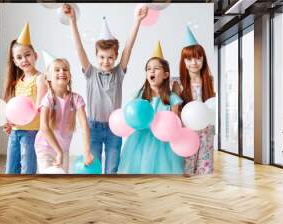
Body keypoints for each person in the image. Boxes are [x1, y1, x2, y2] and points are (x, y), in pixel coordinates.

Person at [63, 3, 148, 174]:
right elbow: (79, 48)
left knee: (112, 167)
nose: (106, 61)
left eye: (110, 57)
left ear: (116, 57)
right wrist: (72, 20)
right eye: (102, 57)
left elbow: (128, 49)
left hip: (114, 127)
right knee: (92, 166)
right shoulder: (90, 73)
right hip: (93, 127)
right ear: (96, 56)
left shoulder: (118, 73)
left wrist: (137, 21)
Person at [118, 44, 184, 174]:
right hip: (140, 139)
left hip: (163, 142)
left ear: (165, 75)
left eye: (156, 68)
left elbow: (175, 122)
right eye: (148, 69)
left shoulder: (171, 98)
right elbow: (132, 117)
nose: (151, 71)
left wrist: (176, 91)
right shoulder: (140, 95)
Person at [35, 58, 94, 173]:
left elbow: (85, 127)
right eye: (57, 70)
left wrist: (86, 151)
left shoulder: (76, 99)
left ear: (70, 76)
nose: (62, 71)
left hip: (64, 148)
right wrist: (58, 152)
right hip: (45, 147)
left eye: (65, 69)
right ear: (48, 77)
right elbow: (44, 127)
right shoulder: (47, 99)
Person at [3, 23, 47, 174]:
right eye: (19, 57)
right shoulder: (17, 82)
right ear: (15, 61)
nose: (24, 60)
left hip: (31, 131)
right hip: (15, 131)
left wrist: (17, 121)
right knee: (11, 169)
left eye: (27, 54)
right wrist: (9, 123)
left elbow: (39, 107)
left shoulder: (40, 79)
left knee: (28, 169)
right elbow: (15, 108)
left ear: (35, 55)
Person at [177, 27, 215, 175]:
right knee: (186, 169)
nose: (194, 62)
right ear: (184, 61)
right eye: (189, 58)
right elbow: (175, 111)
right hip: (186, 133)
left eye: (198, 57)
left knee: (205, 170)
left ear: (203, 59)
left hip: (207, 133)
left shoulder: (210, 82)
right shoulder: (178, 83)